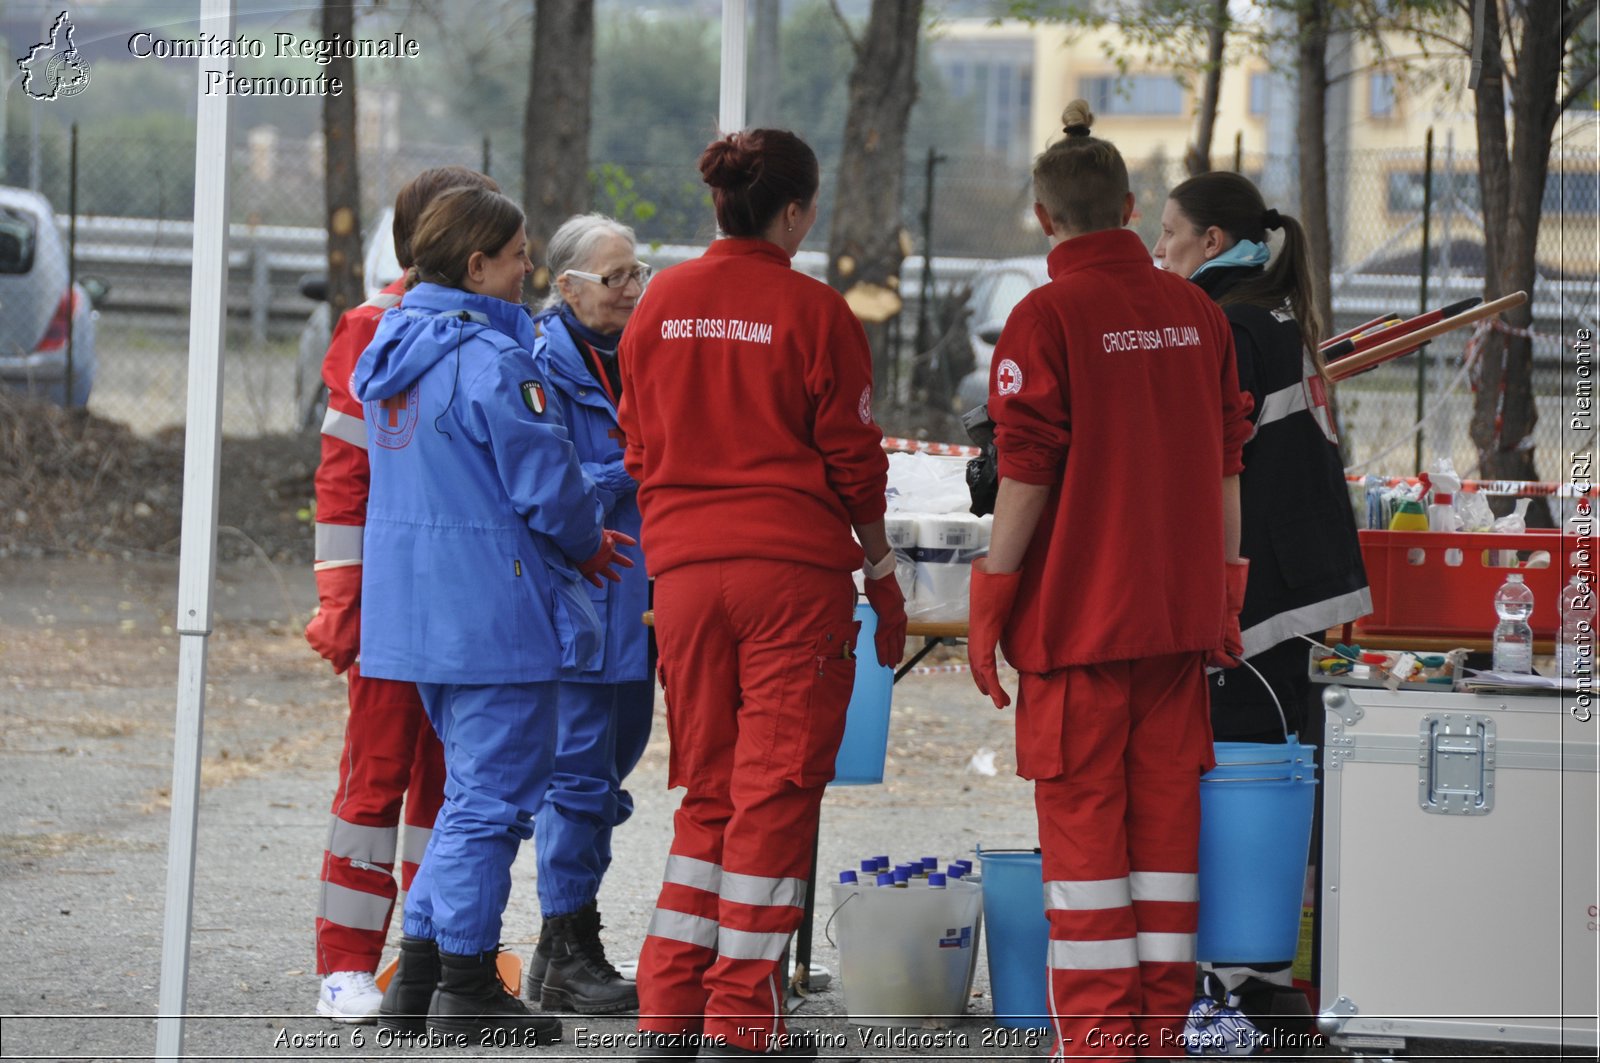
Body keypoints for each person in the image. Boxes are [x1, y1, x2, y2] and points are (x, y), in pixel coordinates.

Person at [965, 101, 1254, 1059]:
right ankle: (1158, 1039)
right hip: (1176, 627)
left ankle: (1095, 1042)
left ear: (1045, 220)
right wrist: (1225, 591)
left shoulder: (1044, 317)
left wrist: (989, 601)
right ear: (1130, 206)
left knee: (1087, 856)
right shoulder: (1196, 311)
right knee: (1165, 856)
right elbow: (1227, 466)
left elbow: (1026, 474)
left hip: (1077, 631)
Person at [617, 128, 907, 1058]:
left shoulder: (659, 302)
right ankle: (745, 1018)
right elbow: (856, 465)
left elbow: (637, 444)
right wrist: (882, 567)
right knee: (775, 791)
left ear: (718, 203)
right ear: (797, 210)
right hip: (790, 577)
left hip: (687, 576)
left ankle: (667, 1007)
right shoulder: (815, 311)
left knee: (709, 787)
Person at [353, 185, 634, 1042]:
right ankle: (469, 983)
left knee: (470, 794)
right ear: (476, 266)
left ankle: (425, 975)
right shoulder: (493, 361)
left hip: (419, 611)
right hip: (492, 608)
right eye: (516, 255)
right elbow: (545, 486)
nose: (528, 268)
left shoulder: (395, 347)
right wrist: (592, 538)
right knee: (492, 802)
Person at [1154, 172, 1369, 1035]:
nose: (1157, 247)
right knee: (1274, 768)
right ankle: (1261, 971)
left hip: (1269, 591)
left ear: (1212, 242)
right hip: (1305, 577)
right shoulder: (1267, 310)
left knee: (1246, 772)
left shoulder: (1229, 322)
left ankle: (1246, 982)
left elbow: (1207, 463)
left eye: (1169, 232)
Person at [304, 165, 495, 1024]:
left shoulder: (500, 327)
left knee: (453, 787)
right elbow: (342, 478)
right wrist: (341, 598)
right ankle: (344, 963)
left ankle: (431, 956)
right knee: (376, 780)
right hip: (389, 601)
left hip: (465, 601)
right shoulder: (372, 327)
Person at [521, 213, 654, 1015]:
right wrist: (629, 466)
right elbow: (547, 479)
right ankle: (566, 942)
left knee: (609, 774)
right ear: (566, 287)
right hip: (579, 600)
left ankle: (561, 947)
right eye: (616, 278)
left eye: (638, 273)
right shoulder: (538, 361)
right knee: (577, 782)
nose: (633, 290)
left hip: (641, 601)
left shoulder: (646, 350)